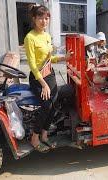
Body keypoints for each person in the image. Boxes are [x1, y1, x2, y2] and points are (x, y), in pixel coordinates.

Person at [24, 4, 72, 152]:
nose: (44, 21)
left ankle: (44, 135)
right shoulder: (30, 37)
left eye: (46, 18)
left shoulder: (46, 36)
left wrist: (64, 58)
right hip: (38, 77)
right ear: (34, 18)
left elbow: (49, 58)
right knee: (47, 106)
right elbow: (32, 64)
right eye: (40, 18)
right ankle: (35, 136)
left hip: (49, 74)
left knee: (55, 104)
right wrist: (43, 84)